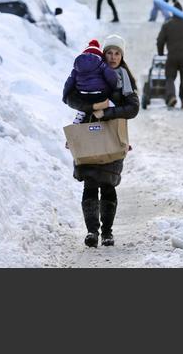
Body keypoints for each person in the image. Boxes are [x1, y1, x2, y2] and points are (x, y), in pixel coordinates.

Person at [63, 34, 139, 248]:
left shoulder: (123, 77)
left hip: (113, 135)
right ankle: (91, 232)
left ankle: (107, 232)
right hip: (88, 133)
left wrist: (107, 112)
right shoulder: (89, 71)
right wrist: (91, 108)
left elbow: (133, 108)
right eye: (109, 52)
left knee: (107, 184)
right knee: (89, 183)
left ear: (122, 56)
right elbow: (69, 98)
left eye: (117, 53)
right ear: (103, 54)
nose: (113, 57)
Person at [62, 39, 119, 124]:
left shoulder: (77, 68)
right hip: (100, 95)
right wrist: (114, 88)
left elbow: (69, 83)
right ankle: (107, 110)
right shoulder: (102, 64)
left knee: (75, 96)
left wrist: (65, 96)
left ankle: (81, 112)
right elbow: (112, 77)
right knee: (110, 94)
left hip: (83, 96)